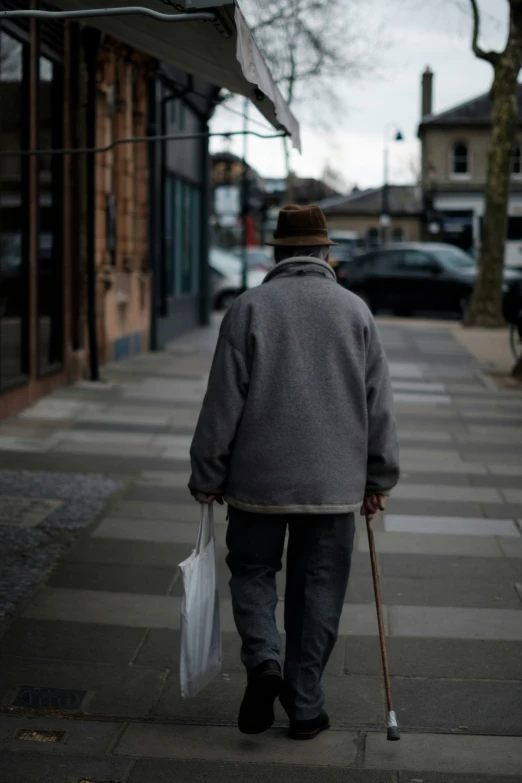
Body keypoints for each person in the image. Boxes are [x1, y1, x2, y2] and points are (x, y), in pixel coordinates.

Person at [189, 204, 400, 740]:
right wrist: (379, 478)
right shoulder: (356, 312)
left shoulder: (249, 308)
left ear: (277, 253)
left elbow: (221, 404)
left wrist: (208, 473)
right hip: (333, 485)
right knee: (319, 588)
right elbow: (378, 406)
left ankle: (264, 663)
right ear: (326, 253)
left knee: (254, 571)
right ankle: (305, 704)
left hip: (258, 482)